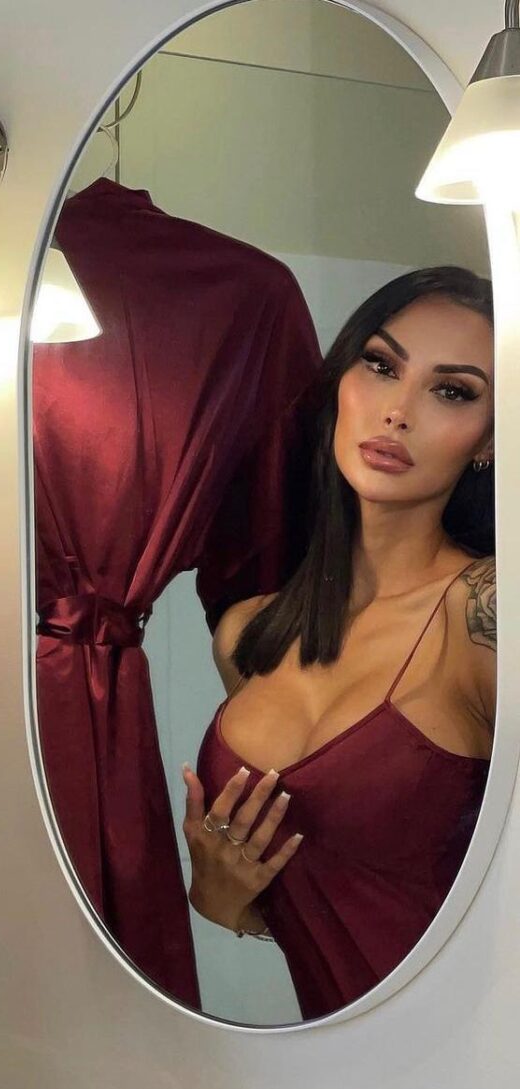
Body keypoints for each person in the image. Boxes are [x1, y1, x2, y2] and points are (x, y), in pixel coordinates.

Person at [184, 266, 496, 1020]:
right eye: (382, 366)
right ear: (340, 387)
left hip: (482, 1065)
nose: (397, 411)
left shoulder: (485, 615)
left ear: (489, 440)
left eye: (452, 391)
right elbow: (339, 897)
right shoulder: (248, 634)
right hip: (339, 1062)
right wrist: (224, 900)